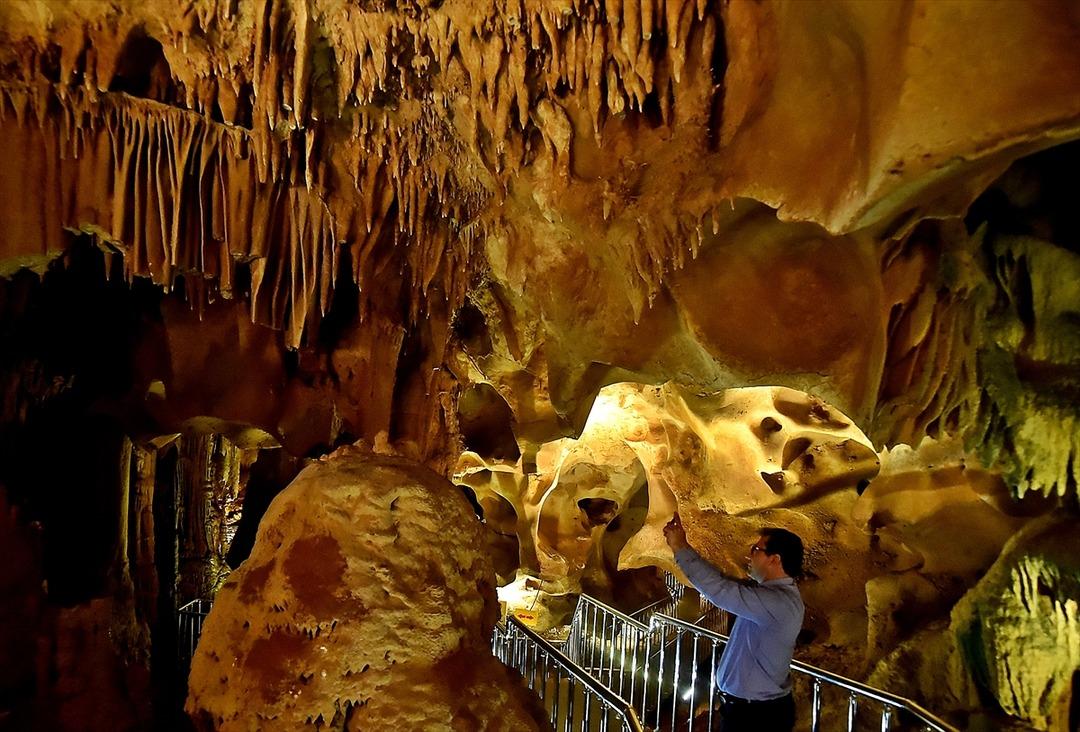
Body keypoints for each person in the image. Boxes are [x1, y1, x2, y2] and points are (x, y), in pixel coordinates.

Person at [663, 512, 804, 732]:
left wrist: (680, 547)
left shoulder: (778, 603)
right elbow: (725, 583)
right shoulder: (770, 596)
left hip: (757, 717)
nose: (750, 555)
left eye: (756, 549)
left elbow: (720, 590)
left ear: (774, 559)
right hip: (749, 710)